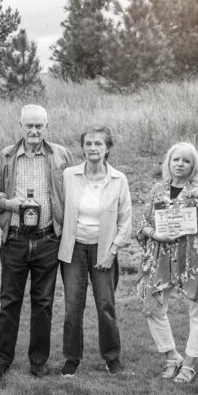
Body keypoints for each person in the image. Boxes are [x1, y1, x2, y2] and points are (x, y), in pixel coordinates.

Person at [0, 104, 78, 379]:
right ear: (20, 126)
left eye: (39, 126)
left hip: (48, 238)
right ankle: (2, 360)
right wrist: (6, 202)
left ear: (47, 127)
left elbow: (74, 191)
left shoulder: (62, 155)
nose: (34, 131)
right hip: (14, 239)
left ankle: (38, 360)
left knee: (43, 302)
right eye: (29, 126)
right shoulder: (6, 156)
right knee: (9, 301)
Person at [136, 142, 198, 384]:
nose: (180, 164)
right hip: (160, 256)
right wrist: (156, 235)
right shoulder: (157, 191)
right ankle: (172, 356)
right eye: (176, 159)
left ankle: (189, 364)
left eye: (186, 161)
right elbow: (143, 224)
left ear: (194, 166)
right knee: (151, 305)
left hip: (192, 256)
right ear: (168, 163)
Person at [57, 127, 131, 377]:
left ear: (107, 148)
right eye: (88, 143)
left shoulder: (118, 180)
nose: (92, 148)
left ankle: (112, 357)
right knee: (72, 307)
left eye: (98, 144)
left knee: (105, 305)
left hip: (104, 249)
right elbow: (59, 208)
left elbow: (125, 222)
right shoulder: (69, 175)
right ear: (82, 147)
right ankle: (71, 358)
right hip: (74, 248)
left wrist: (112, 252)